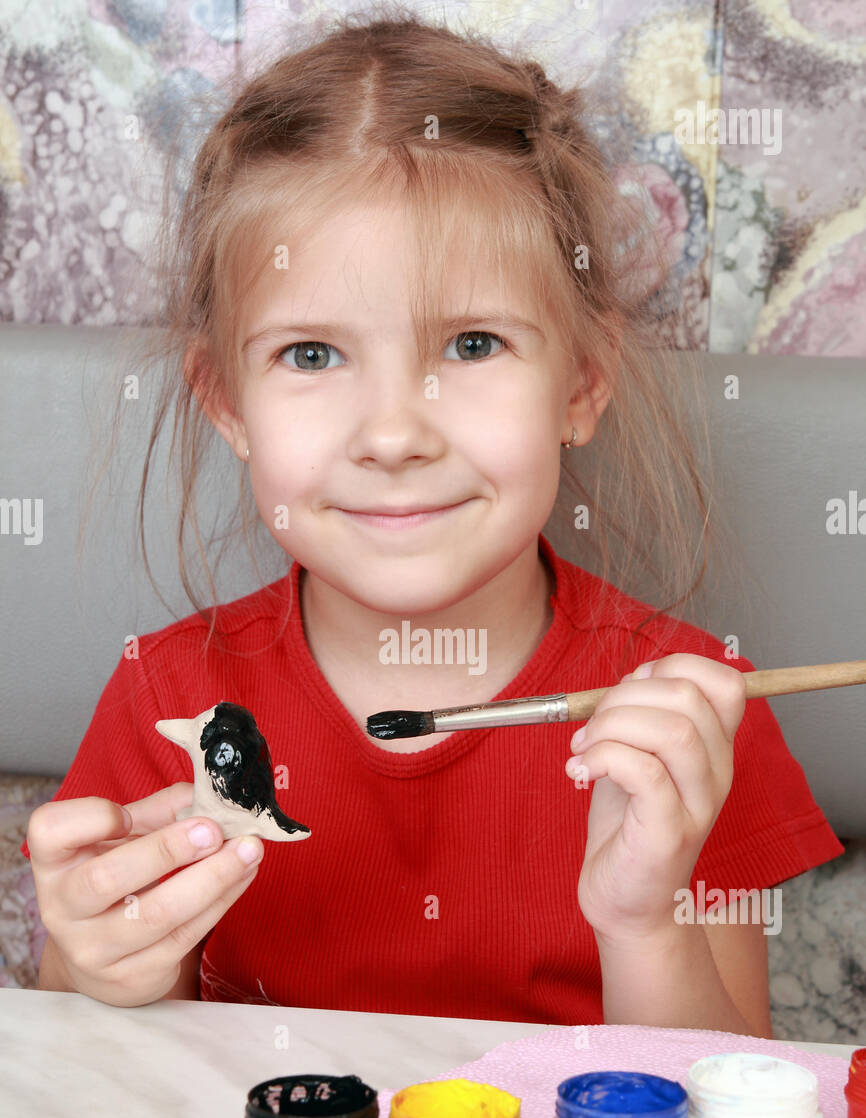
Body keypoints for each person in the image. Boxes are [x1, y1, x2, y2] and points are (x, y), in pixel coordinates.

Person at [23, 10, 843, 1031]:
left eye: (469, 344)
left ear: (581, 383)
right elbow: (91, 1097)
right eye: (312, 355)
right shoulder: (169, 696)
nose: (394, 433)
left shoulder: (687, 710)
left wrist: (642, 921)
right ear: (227, 403)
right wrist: (95, 971)